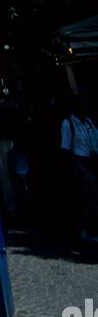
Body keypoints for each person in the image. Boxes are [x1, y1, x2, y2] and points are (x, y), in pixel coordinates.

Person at [60, 99, 98, 244]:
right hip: (79, 162)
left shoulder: (89, 122)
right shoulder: (68, 123)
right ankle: (87, 230)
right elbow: (65, 147)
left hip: (92, 161)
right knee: (89, 196)